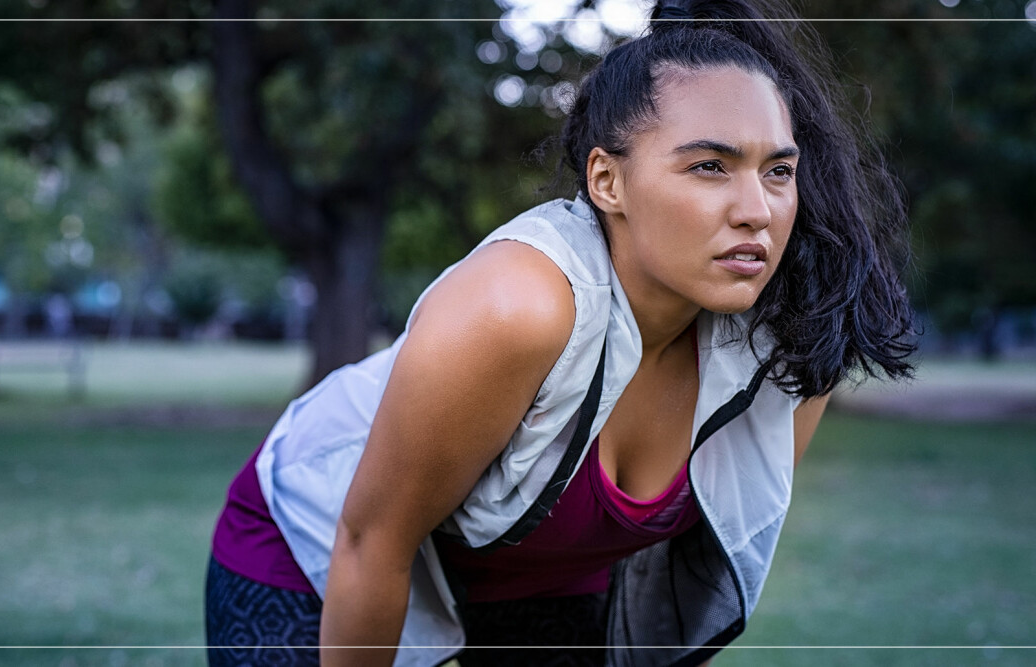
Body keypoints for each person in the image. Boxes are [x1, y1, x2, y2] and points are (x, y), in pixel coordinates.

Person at [206, 0, 917, 665]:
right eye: (710, 166)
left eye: (779, 171)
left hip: (537, 579)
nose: (756, 209)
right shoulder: (519, 306)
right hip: (314, 554)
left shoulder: (793, 342)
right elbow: (370, 540)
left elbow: (685, 558)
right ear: (607, 181)